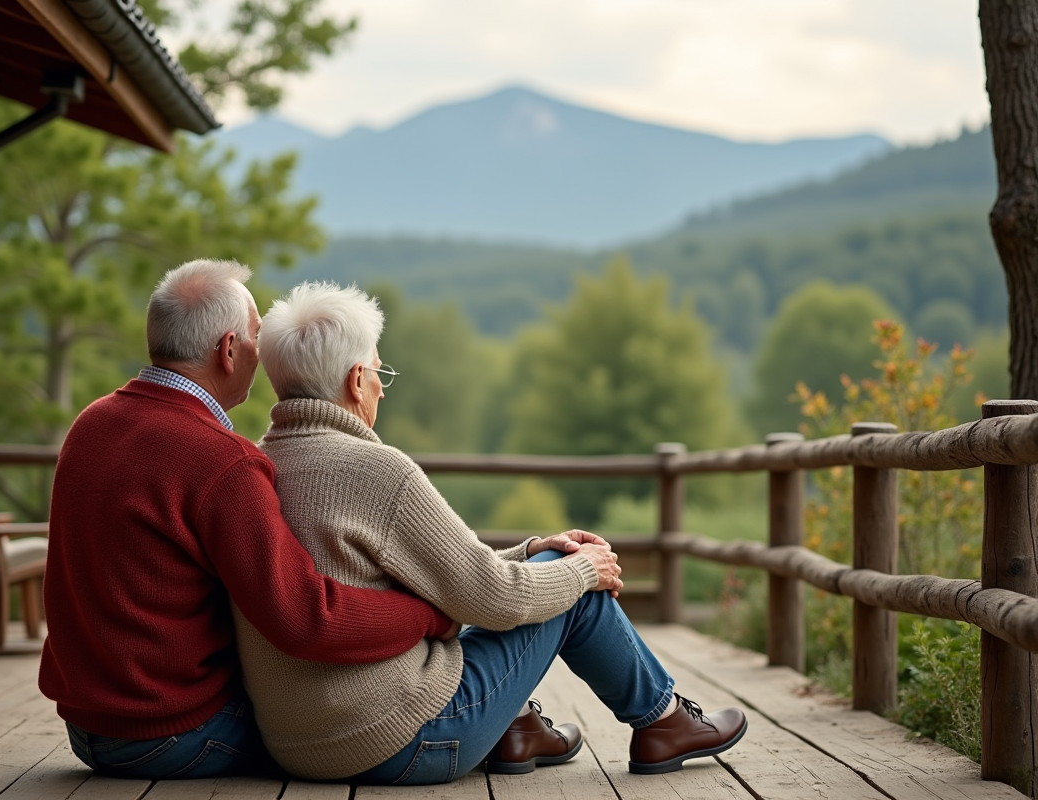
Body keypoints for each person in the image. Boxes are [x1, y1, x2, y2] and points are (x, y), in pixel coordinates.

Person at [236, 281, 748, 785]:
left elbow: (441, 578)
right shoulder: (378, 471)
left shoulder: (255, 468)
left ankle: (516, 729)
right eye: (378, 371)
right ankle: (663, 721)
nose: (382, 386)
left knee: (553, 573)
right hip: (405, 742)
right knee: (579, 591)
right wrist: (581, 570)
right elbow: (493, 597)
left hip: (293, 746)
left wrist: (530, 552)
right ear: (355, 380)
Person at [39, 259, 460, 780]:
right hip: (174, 731)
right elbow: (308, 619)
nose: (263, 354)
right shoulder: (221, 460)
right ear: (229, 349)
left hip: (87, 728)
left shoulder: (91, 424)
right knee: (330, 730)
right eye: (257, 336)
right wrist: (430, 616)